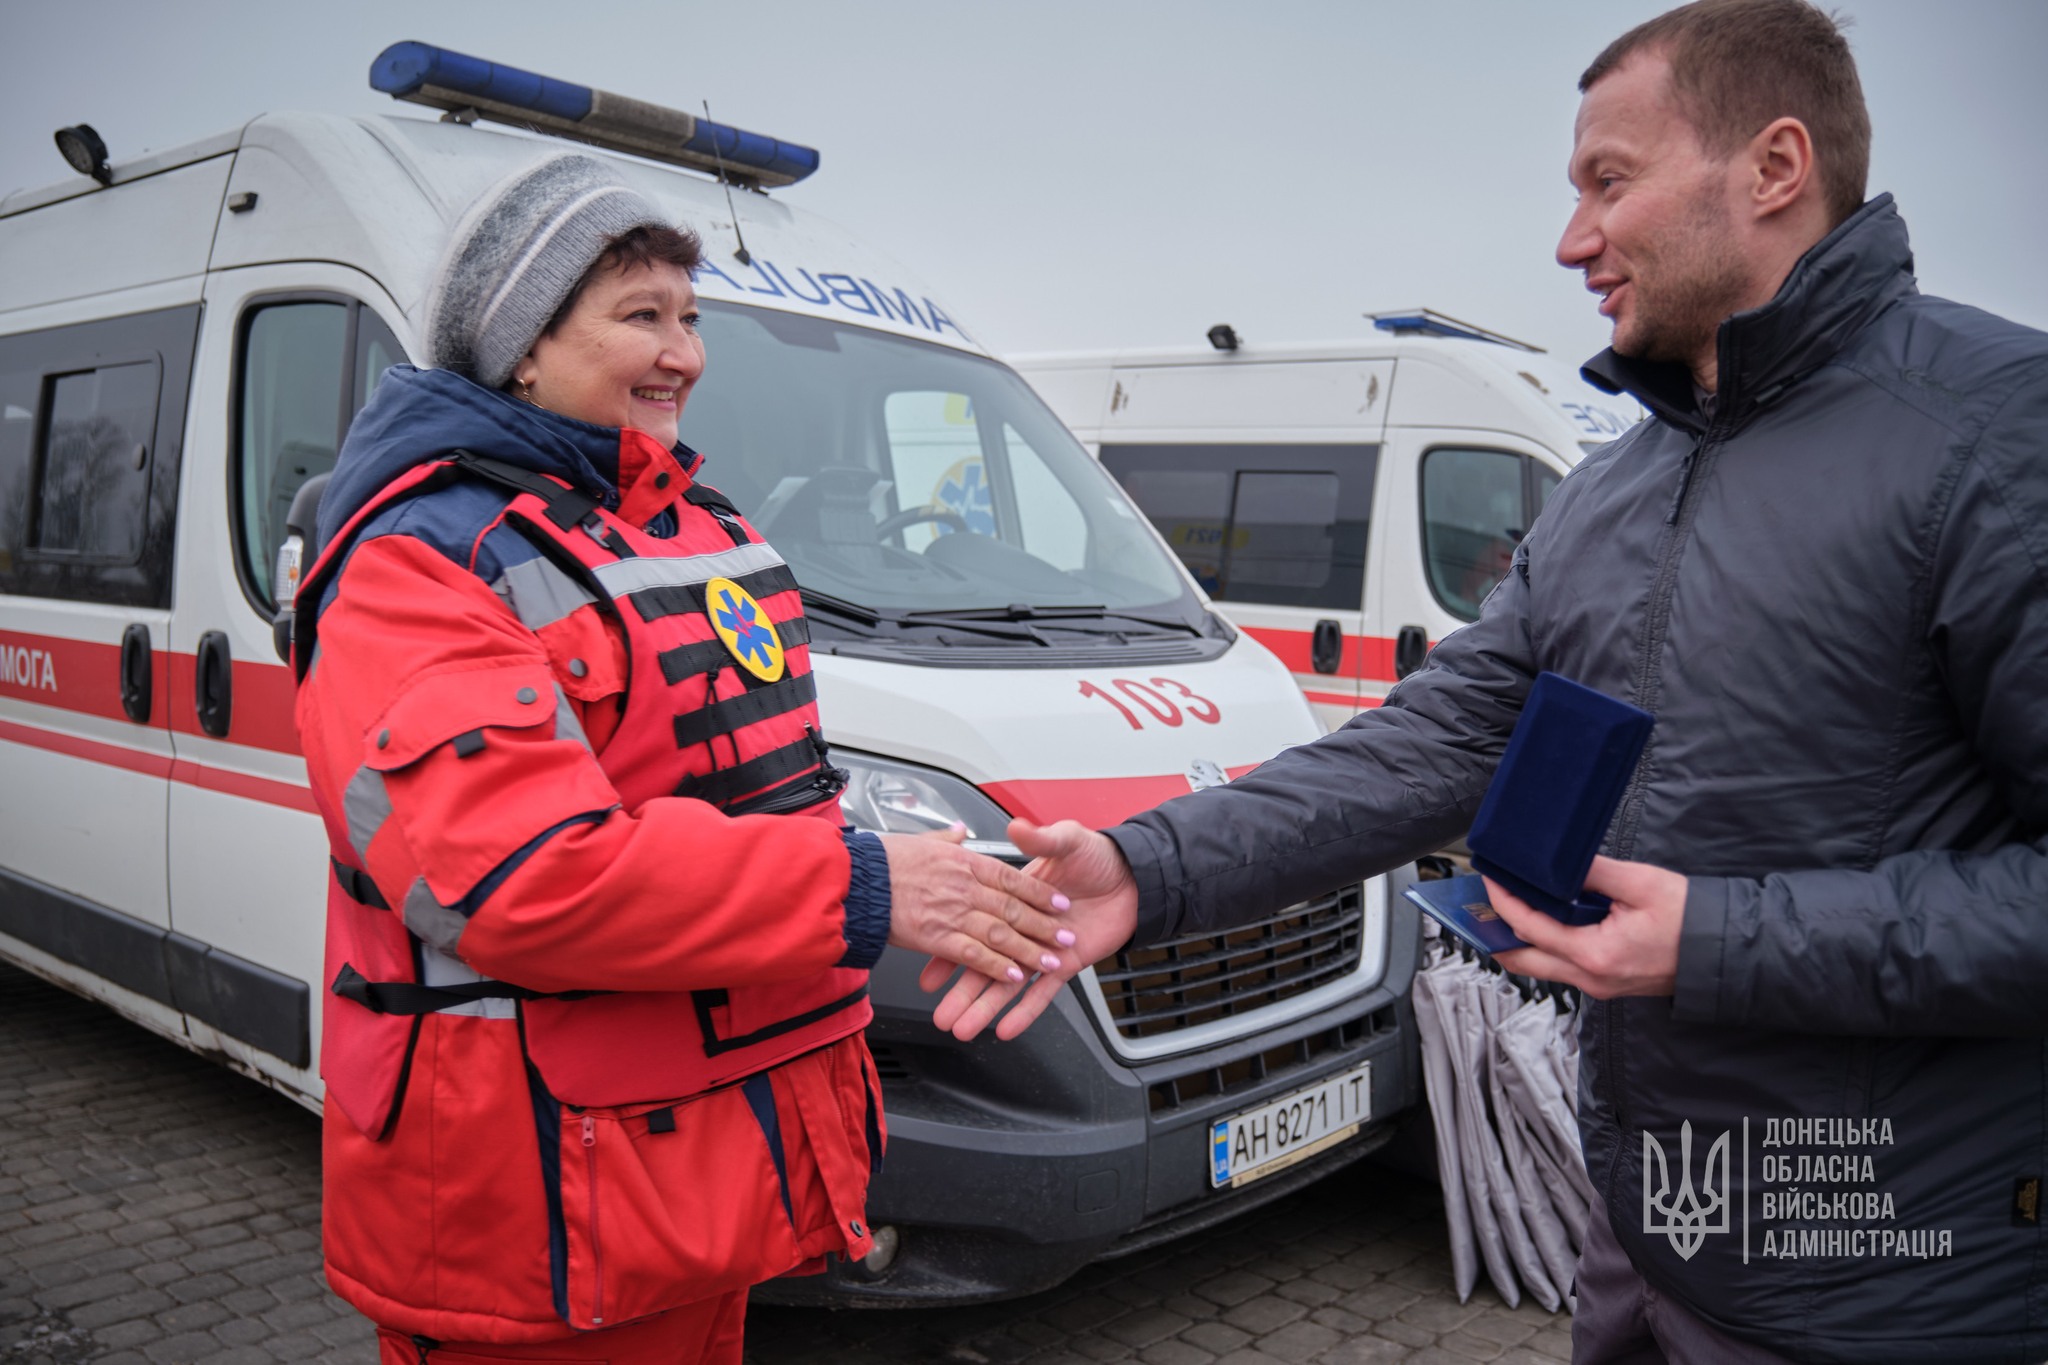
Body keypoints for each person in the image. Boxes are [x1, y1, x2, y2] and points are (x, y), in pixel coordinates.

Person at [937, 2, 2048, 1359]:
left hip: (1892, 1284)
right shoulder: (1615, 491)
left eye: (1609, 182)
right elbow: (1422, 750)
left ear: (1774, 168)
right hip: (1643, 1243)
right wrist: (1149, 866)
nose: (1573, 241)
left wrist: (1714, 940)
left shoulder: (1999, 435)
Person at [292, 154, 1080, 1363]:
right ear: (520, 348)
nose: (685, 354)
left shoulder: (690, 523)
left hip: (685, 1174)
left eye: (691, 317)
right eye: (640, 316)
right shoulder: (422, 562)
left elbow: (768, 793)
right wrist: (872, 888)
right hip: (539, 1199)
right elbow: (515, 881)